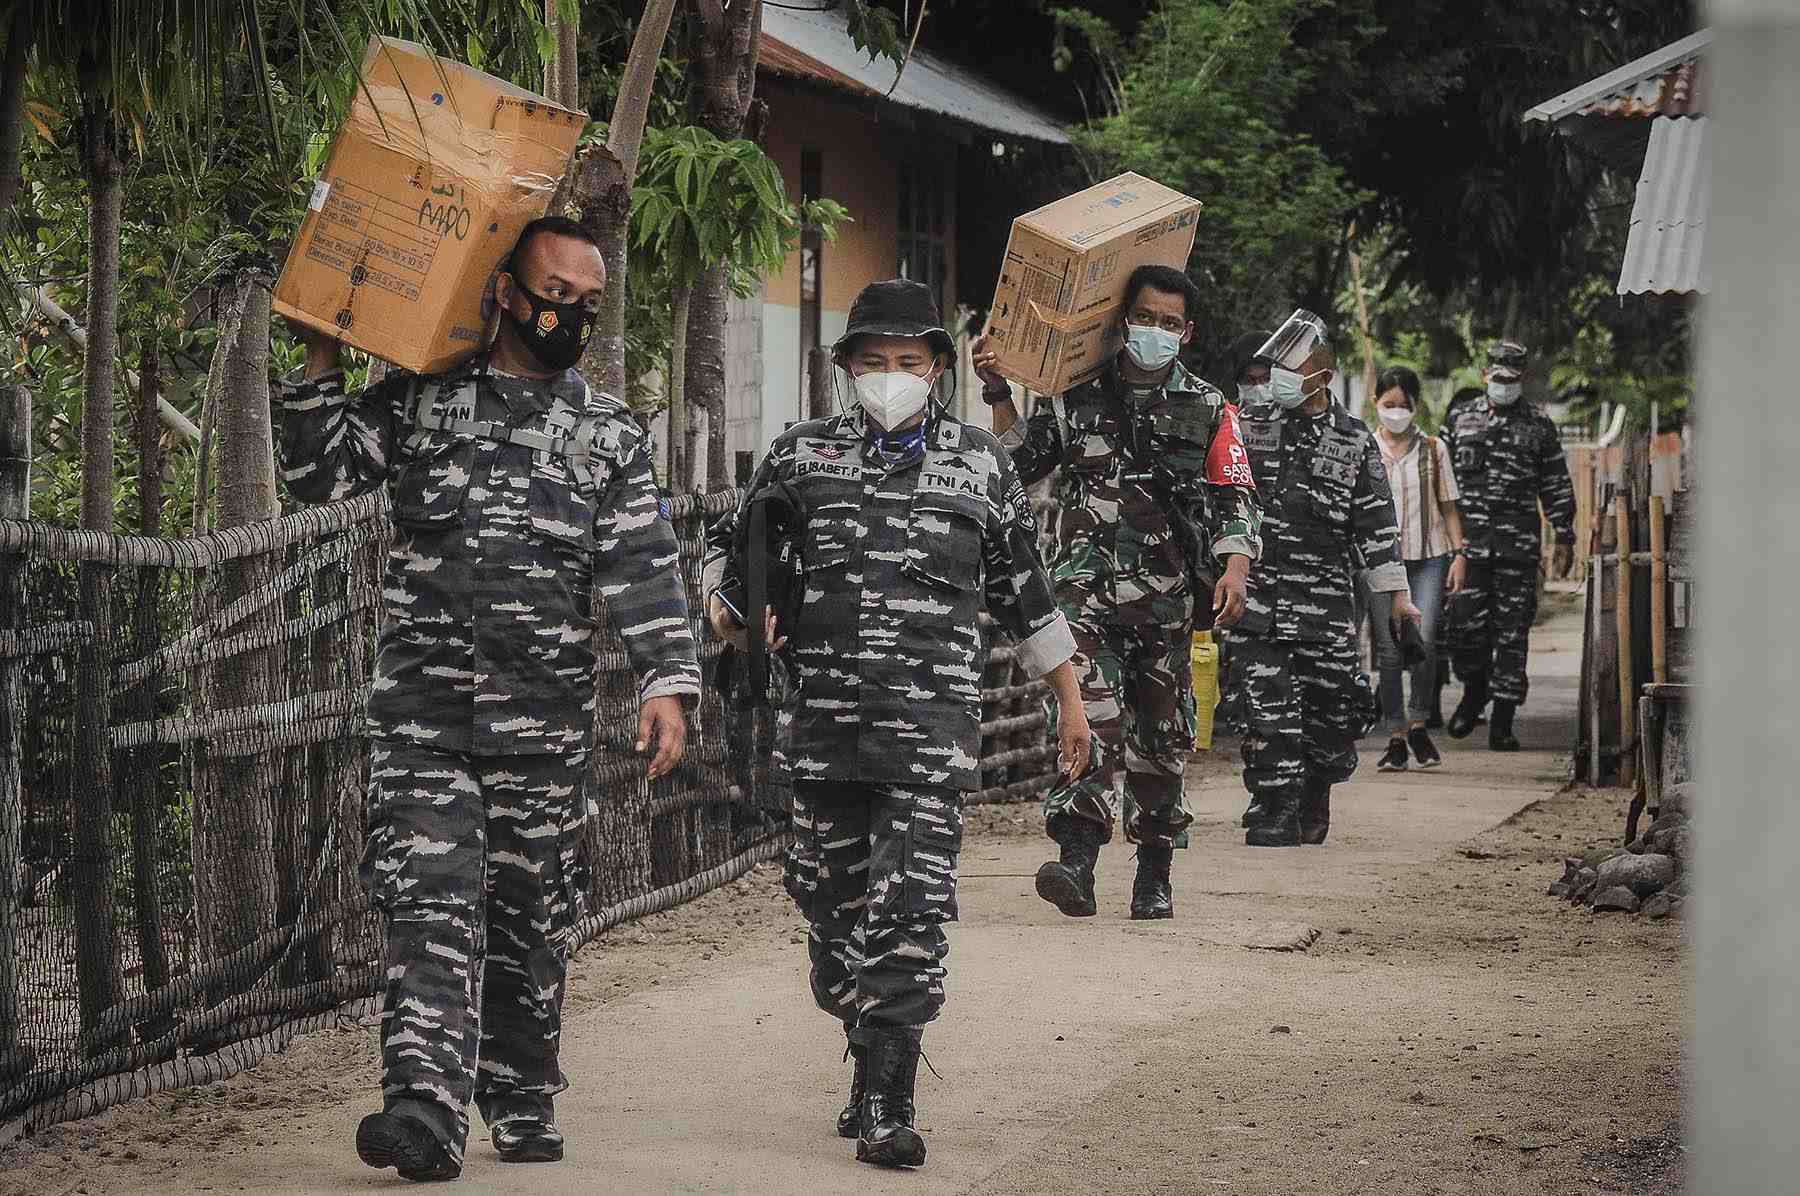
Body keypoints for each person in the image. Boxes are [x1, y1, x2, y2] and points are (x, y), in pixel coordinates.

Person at [276, 216, 702, 1182]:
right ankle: (423, 1107)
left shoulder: (606, 434)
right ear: (507, 291)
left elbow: (642, 562)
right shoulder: (422, 401)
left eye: (587, 305)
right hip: (422, 720)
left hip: (541, 727)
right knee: (429, 903)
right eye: (554, 295)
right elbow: (320, 475)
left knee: (526, 917)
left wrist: (666, 679)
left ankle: (518, 1086)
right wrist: (318, 354)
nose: (569, 318)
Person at [704, 279, 1091, 1171]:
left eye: (909, 363)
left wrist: (1068, 701)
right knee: (833, 921)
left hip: (929, 737)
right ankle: (863, 1040)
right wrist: (734, 614)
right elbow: (739, 560)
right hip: (826, 735)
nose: (891, 377)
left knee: (910, 915)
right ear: (845, 369)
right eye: (874, 362)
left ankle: (890, 1098)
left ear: (938, 369)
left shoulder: (980, 468)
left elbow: (1028, 596)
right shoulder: (799, 458)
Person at [973, 265, 1262, 922]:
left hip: (1164, 601)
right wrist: (997, 388)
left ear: (1185, 332)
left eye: (1168, 322)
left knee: (1160, 737)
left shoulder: (1210, 406)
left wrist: (1235, 567)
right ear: (1123, 320)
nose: (1153, 331)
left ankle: (1155, 866)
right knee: (1087, 722)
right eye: (1143, 317)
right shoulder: (1076, 395)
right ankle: (1077, 855)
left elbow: (1235, 496)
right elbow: (1021, 458)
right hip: (1081, 596)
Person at [1229, 311, 1421, 846]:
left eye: (1292, 367)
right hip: (1261, 603)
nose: (1279, 377)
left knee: (1333, 713)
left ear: (1323, 375)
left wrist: (1399, 600)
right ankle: (1274, 804)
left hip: (1327, 608)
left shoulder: (1354, 441)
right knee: (1267, 710)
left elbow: (1378, 527)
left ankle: (1316, 788)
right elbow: (1223, 501)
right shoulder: (1249, 425)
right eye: (1276, 367)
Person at [1439, 341, 1576, 751]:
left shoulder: (1538, 426)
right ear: (1485, 375)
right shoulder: (1460, 419)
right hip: (1468, 548)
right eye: (1498, 378)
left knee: (1512, 635)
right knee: (1463, 631)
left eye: (1512, 380)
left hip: (1517, 549)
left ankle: (1503, 719)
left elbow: (1555, 483)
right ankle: (1475, 689)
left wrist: (1565, 535)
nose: (1504, 385)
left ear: (1523, 378)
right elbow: (1439, 480)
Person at [1364, 366, 1468, 772]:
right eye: (1388, 405)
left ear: (1414, 406)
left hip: (1429, 557)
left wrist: (1460, 554)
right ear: (1375, 403)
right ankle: (1395, 734)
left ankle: (1421, 721)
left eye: (1402, 405)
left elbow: (1449, 506)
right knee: (1388, 649)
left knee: (1422, 638)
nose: (1395, 412)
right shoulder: (1365, 448)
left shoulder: (1434, 448)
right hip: (1382, 561)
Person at [1426, 383, 1489, 729]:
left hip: (1467, 550)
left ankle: (1470, 699)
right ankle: (1432, 705)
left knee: (1459, 632)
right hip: (1446, 550)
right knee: (1438, 631)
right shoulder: (1438, 450)